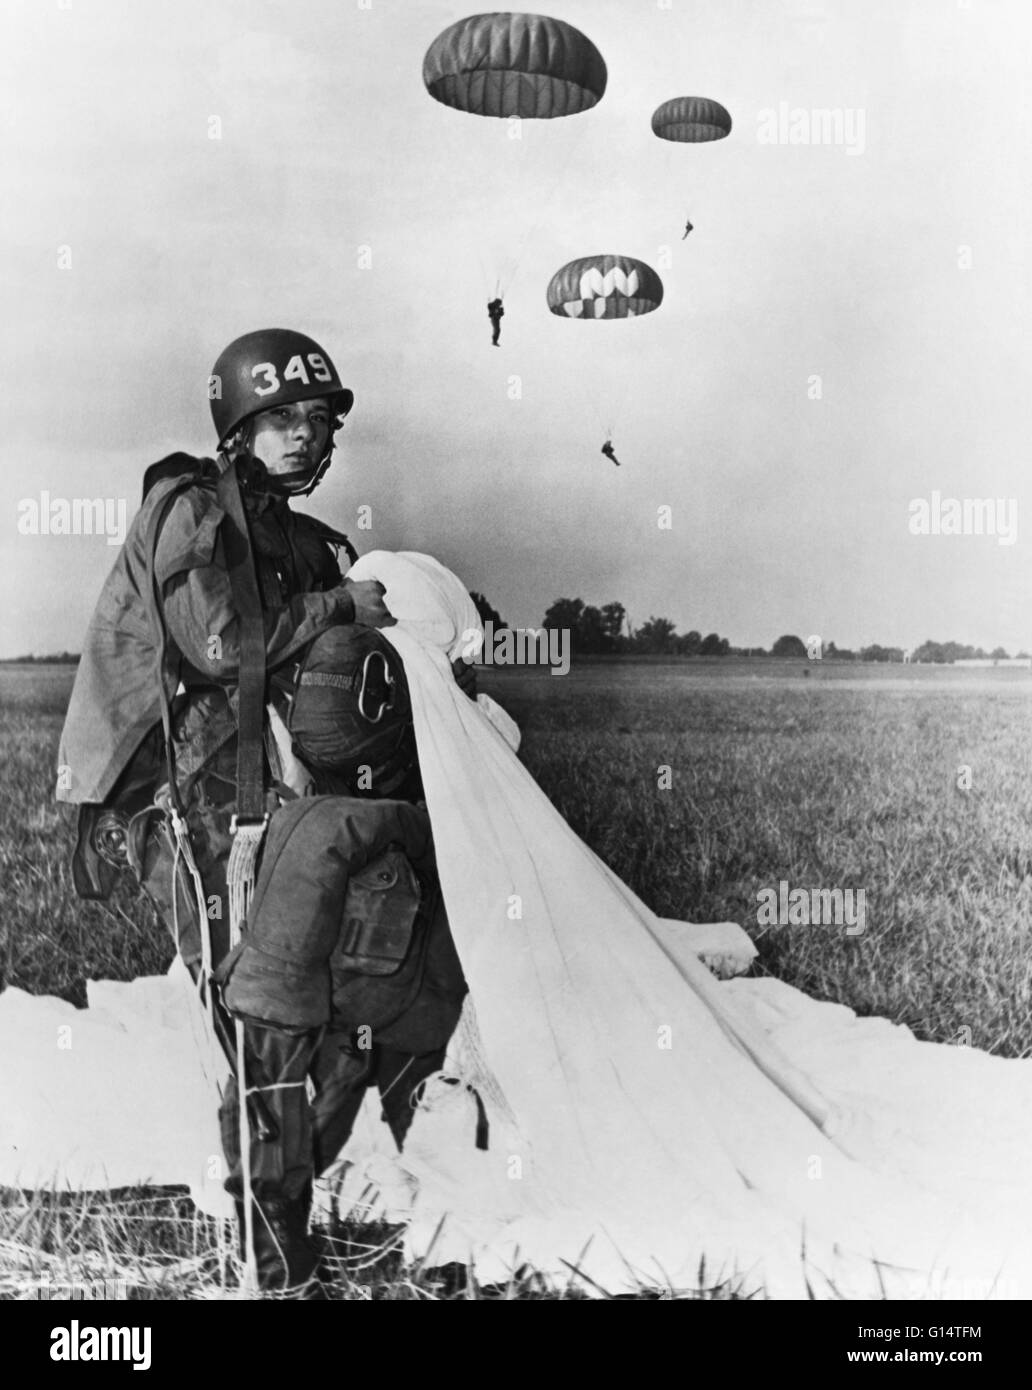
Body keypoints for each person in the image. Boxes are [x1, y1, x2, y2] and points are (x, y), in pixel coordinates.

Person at [56, 329, 471, 1293]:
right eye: (281, 418)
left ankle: (307, 1190)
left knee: (348, 995)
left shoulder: (316, 543)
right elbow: (216, 643)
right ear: (240, 426)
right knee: (261, 1009)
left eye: (317, 421)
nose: (302, 436)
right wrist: (342, 610)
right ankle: (267, 1241)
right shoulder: (189, 509)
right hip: (190, 800)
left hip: (287, 799)